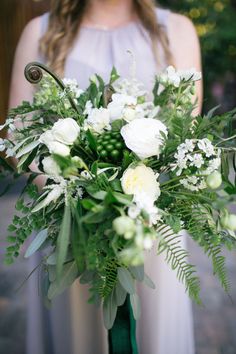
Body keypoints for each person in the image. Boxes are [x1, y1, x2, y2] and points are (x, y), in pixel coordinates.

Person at [9, 1, 203, 353]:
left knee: (153, 334)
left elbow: (185, 130)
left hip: (151, 229)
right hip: (69, 224)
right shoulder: (39, 33)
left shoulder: (176, 30)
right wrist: (75, 194)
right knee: (76, 336)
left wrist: (134, 200)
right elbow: (18, 138)